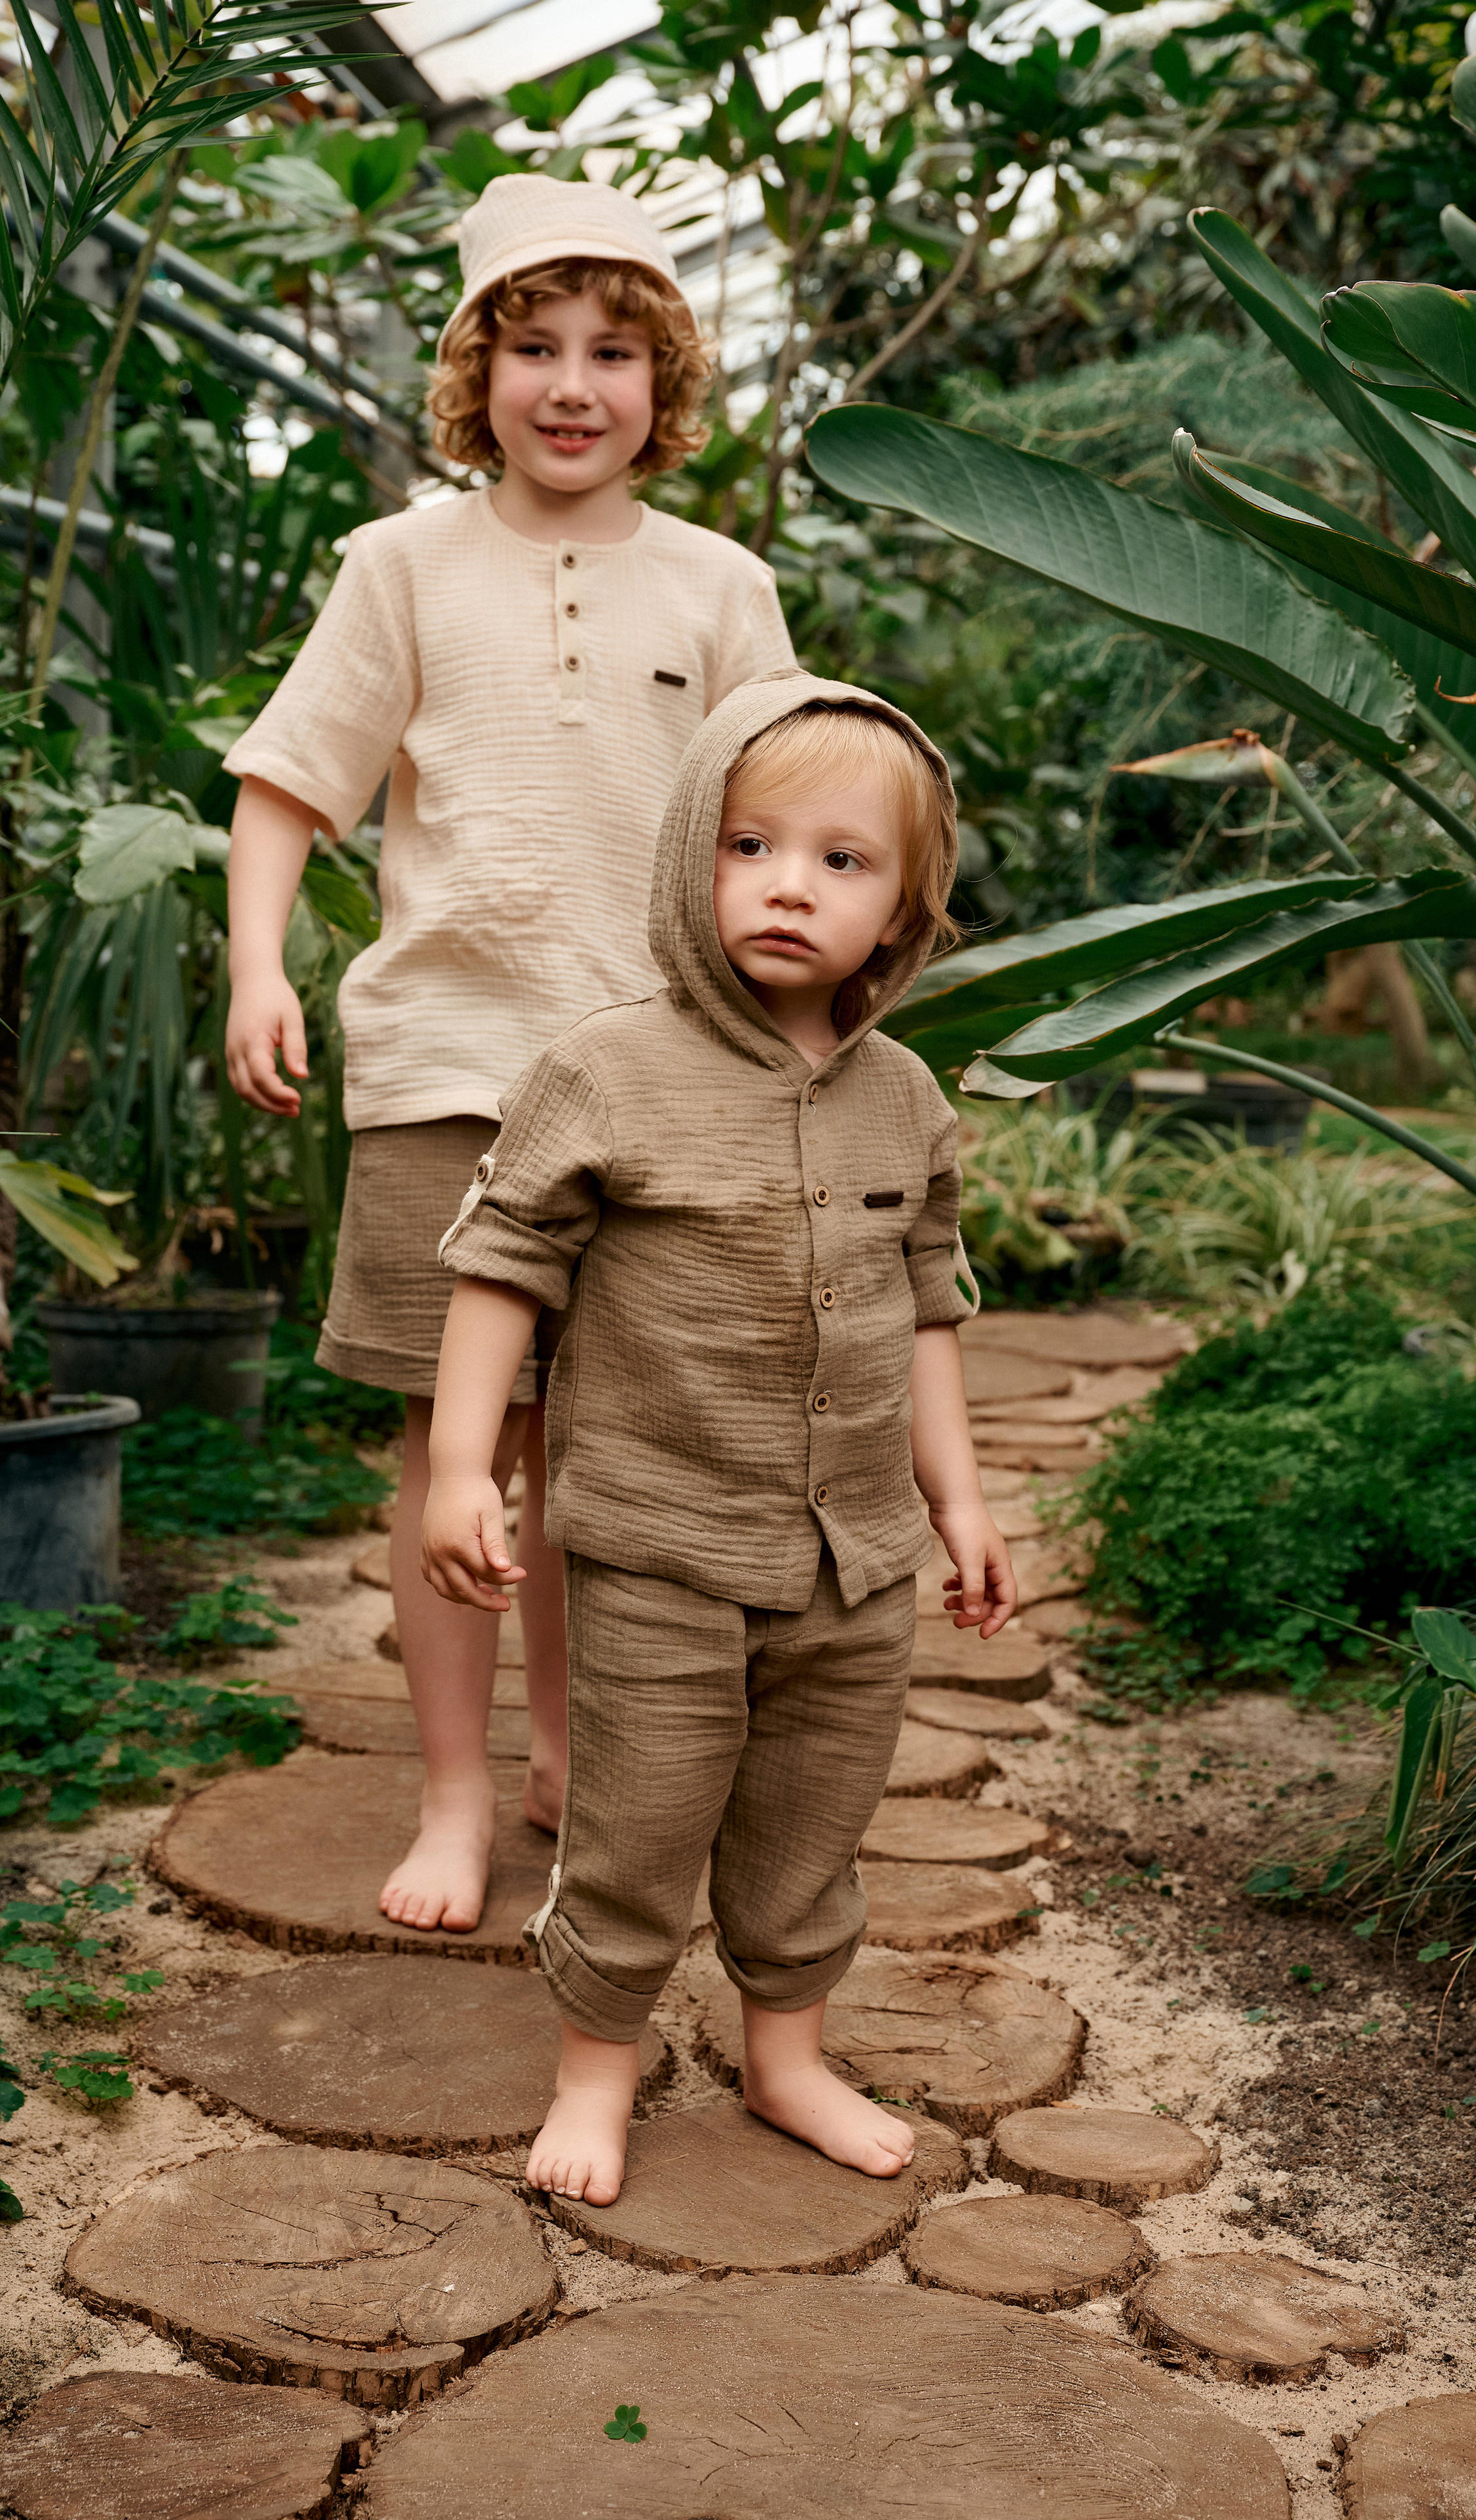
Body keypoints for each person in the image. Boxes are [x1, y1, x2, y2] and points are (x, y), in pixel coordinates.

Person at [220, 178, 796, 1938]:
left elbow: (782, 812)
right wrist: (258, 967)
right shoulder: (400, 565)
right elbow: (288, 784)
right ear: (476, 369)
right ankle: (455, 1794)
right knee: (455, 1448)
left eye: (613, 351)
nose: (571, 384)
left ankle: (562, 1753)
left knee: (596, 1457)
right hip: (447, 1072)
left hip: (654, 1082)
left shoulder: (722, 585)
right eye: (533, 346)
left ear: (663, 378)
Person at [421, 672, 1017, 2205]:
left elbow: (927, 1310)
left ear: (901, 911)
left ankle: (785, 2058)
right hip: (662, 1545)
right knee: (638, 1819)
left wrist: (957, 1502)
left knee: (813, 1817)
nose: (786, 886)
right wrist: (461, 1467)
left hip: (852, 1560)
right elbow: (501, 1269)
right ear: (689, 853)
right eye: (747, 845)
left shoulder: (906, 1099)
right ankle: (594, 2070)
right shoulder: (602, 1071)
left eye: (839, 859)